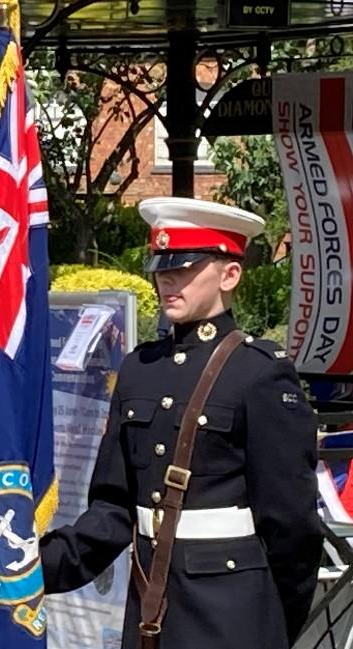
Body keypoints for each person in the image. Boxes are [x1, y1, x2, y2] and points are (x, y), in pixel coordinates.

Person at [39, 197, 322, 649]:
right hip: (151, 604)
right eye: (162, 266)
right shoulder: (139, 368)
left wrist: (273, 624)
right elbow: (113, 507)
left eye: (186, 267)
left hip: (231, 616)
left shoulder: (259, 372)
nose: (167, 278)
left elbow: (292, 526)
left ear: (230, 274)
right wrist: (37, 568)